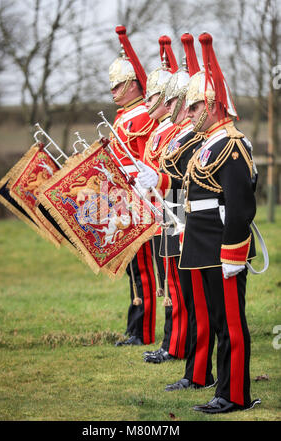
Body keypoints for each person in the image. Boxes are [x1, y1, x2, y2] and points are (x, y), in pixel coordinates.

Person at [140, 32, 261, 413]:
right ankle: (221, 388)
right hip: (203, 242)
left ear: (210, 106)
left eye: (193, 109)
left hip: (222, 247)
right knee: (220, 324)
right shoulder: (211, 141)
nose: (187, 116)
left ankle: (234, 394)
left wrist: (234, 252)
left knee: (231, 326)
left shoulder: (232, 143)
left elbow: (240, 206)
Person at [139, 35, 190, 363]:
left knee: (180, 283)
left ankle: (178, 344)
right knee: (171, 280)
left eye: (174, 102)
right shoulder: (173, 131)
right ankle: (172, 343)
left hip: (179, 209)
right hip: (167, 207)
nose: (168, 108)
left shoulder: (186, 134)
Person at [108, 26, 159, 346]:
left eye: (118, 85)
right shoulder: (125, 114)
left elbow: (141, 162)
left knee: (142, 268)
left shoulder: (139, 115)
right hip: (123, 198)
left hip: (138, 198)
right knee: (132, 267)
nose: (112, 90)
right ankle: (134, 327)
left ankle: (143, 331)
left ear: (131, 85)